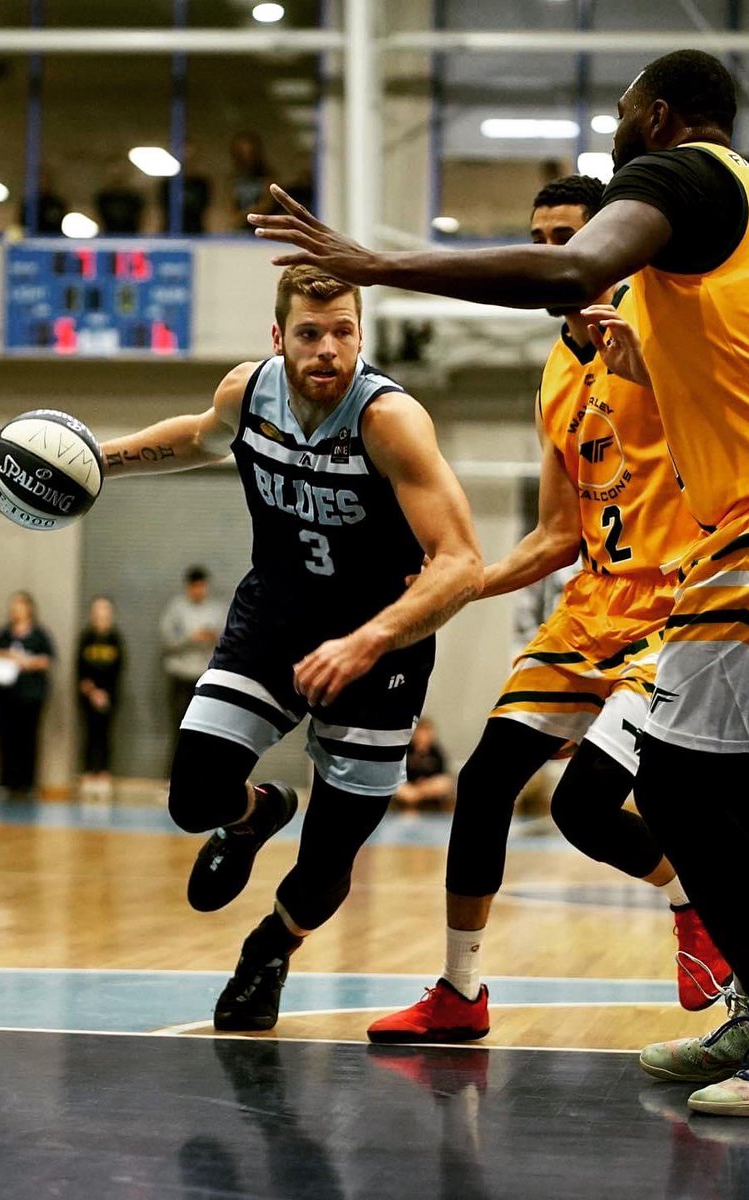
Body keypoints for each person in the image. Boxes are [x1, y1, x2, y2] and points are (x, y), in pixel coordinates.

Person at [248, 50, 749, 1118]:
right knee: (723, 782)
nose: (610, 138)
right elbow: (729, 356)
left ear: (654, 116)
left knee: (678, 780)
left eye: (615, 118)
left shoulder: (685, 175)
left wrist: (375, 265)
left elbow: (568, 273)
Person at [367, 176, 727, 1046]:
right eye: (537, 239)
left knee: (583, 809)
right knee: (486, 780)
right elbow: (556, 535)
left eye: (567, 237)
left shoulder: (667, 327)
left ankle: (697, 905)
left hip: (676, 610)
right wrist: (458, 585)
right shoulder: (558, 374)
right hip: (592, 604)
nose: (550, 255)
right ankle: (460, 992)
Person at [97, 264, 482, 1032]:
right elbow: (200, 437)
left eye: (344, 332)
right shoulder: (250, 392)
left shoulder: (388, 420)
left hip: (382, 647)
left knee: (328, 862)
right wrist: (98, 460)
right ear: (279, 339)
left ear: (361, 336)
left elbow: (463, 561)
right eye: (310, 333)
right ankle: (253, 812)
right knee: (193, 794)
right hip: (276, 616)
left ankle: (270, 948)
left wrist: (369, 639)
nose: (328, 350)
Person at [0, 591, 54, 800]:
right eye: (13, 605)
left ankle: (28, 784)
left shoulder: (39, 635)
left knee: (28, 740)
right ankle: (6, 782)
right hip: (5, 697)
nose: (15, 609)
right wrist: (9, 656)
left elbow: (47, 660)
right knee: (6, 740)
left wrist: (26, 662)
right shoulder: (4, 633)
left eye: (20, 605)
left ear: (29, 609)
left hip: (31, 697)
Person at [159, 567, 227, 753]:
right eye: (195, 586)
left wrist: (212, 637)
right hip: (180, 675)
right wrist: (191, 637)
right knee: (179, 726)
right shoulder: (176, 608)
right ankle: (174, 773)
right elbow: (166, 641)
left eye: (202, 586)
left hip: (204, 677)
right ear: (189, 587)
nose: (199, 590)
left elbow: (228, 640)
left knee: (205, 728)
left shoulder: (216, 610)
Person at [76, 595, 125, 799]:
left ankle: (104, 773)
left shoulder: (115, 638)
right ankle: (88, 773)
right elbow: (79, 668)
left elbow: (119, 668)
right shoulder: (86, 637)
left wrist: (106, 694)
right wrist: (91, 691)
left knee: (105, 734)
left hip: (109, 695)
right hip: (89, 695)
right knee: (90, 733)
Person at [393, 717, 454, 809]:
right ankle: (412, 803)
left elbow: (442, 775)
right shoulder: (406, 751)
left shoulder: (436, 752)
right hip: (409, 787)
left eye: (427, 733)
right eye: (421, 732)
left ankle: (416, 798)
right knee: (400, 788)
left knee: (445, 783)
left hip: (427, 787)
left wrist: (425, 786)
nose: (423, 736)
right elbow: (397, 774)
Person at [229, 133, 273, 230]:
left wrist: (245, 215)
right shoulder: (233, 179)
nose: (246, 157)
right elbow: (229, 207)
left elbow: (267, 204)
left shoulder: (268, 177)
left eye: (249, 152)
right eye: (241, 153)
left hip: (263, 227)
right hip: (239, 230)